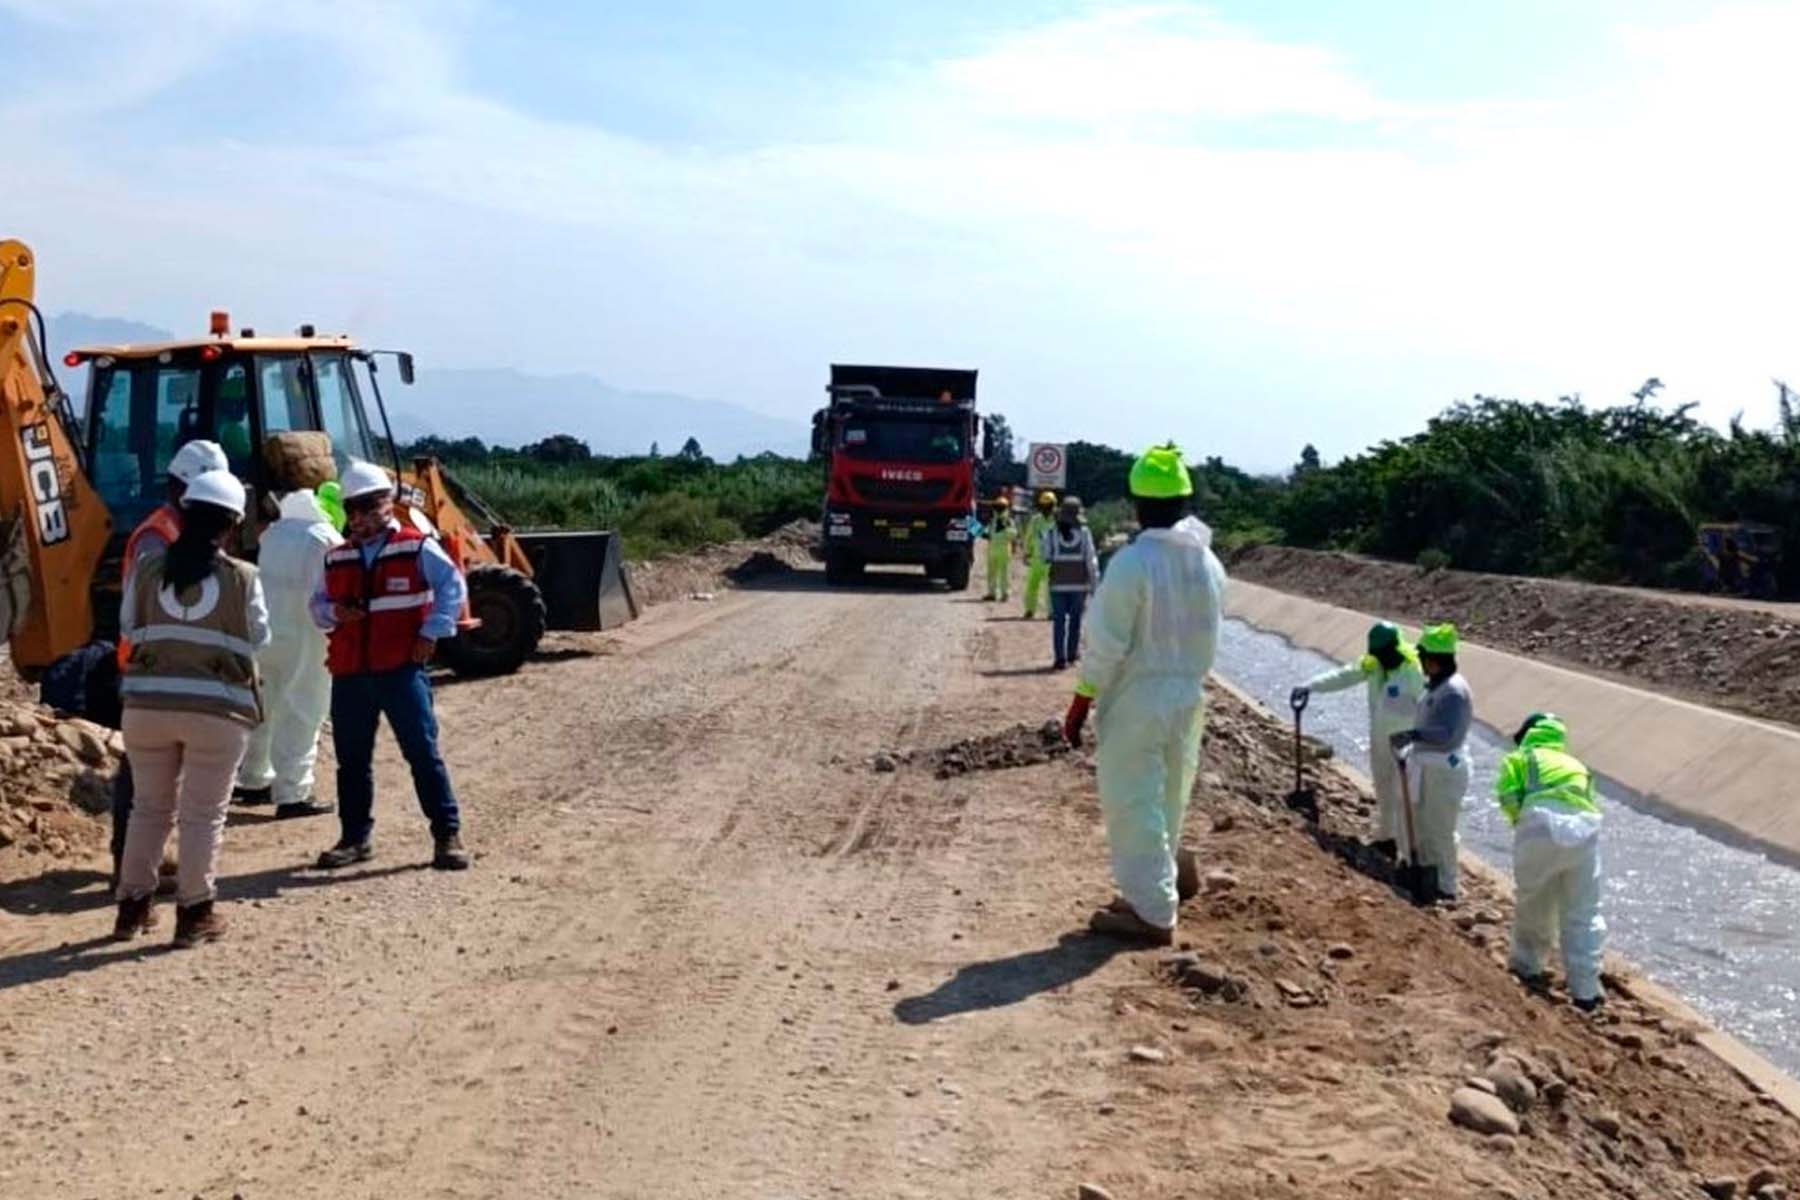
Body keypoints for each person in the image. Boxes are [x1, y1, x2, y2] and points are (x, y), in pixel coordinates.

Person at [1062, 444, 1227, 945]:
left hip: (1138, 697)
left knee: (1133, 800)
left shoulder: (1133, 564)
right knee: (1169, 798)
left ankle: (1151, 912)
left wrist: (1081, 700)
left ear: (1137, 504)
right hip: (1189, 695)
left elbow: (1106, 644)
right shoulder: (1208, 564)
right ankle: (1153, 890)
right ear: (1183, 502)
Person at [112, 469, 269, 947]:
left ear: (183, 515)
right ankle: (194, 914)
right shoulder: (242, 578)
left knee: (147, 809)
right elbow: (259, 637)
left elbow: (128, 626)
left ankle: (131, 912)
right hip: (216, 712)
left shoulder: (147, 569)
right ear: (232, 524)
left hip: (146, 706)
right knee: (203, 816)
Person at [311, 461, 471, 871]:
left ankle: (447, 835)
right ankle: (354, 839)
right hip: (350, 673)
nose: (361, 516)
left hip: (400, 669)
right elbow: (317, 606)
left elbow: (452, 586)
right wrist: (335, 612)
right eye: (354, 508)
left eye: (370, 506)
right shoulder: (336, 558)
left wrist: (432, 632)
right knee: (351, 761)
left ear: (388, 503)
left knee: (421, 752)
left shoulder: (416, 547)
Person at [110, 438, 230, 887]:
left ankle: (145, 860)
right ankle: (128, 864)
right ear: (178, 489)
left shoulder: (177, 530)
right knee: (143, 776)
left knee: (159, 774)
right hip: (150, 666)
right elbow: (148, 607)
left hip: (170, 665)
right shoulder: (157, 536)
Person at [234, 485, 343, 819]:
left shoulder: (274, 534)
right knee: (304, 710)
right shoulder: (326, 539)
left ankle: (254, 778)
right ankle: (293, 793)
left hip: (269, 632)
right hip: (308, 636)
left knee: (265, 705)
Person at [1496, 712, 1606, 1011]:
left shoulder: (1521, 759)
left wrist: (1521, 825)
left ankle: (1527, 966)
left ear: (1528, 735)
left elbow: (1508, 797)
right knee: (1583, 911)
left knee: (1534, 902)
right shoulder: (1577, 766)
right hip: (1585, 831)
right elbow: (1590, 801)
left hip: (1539, 826)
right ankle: (1586, 990)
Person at [1290, 621, 1425, 857]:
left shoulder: (1412, 672)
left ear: (1394, 648)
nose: (1379, 658)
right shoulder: (1373, 665)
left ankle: (1411, 851)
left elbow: (1428, 708)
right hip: (1380, 739)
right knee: (1383, 787)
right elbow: (1345, 675)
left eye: (1383, 654)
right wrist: (1310, 686)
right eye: (1376, 654)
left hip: (1406, 743)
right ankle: (1387, 839)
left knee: (1405, 794)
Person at [1388, 623, 1473, 903]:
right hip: (1428, 765)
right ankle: (1425, 873)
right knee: (1421, 822)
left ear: (1434, 660)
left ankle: (1446, 886)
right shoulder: (1436, 686)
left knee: (1440, 828)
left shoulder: (1453, 692)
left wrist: (1414, 735)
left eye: (1423, 658)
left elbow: (1447, 734)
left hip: (1444, 768)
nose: (1421, 664)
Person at [1044, 495, 1099, 670]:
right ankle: (1072, 654)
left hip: (1057, 584)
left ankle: (1059, 658)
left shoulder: (1051, 532)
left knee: (1059, 622)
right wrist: (1095, 585)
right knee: (1075, 621)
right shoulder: (1085, 533)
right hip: (1079, 585)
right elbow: (1091, 561)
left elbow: (1046, 556)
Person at [1021, 491, 1057, 620]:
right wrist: (1026, 553)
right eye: (1044, 505)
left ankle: (1051, 612)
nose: (1046, 508)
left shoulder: (1058, 521)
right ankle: (1030, 610)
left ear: (1053, 506)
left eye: (1049, 505)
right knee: (1032, 585)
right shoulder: (1035, 520)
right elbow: (1029, 537)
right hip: (1036, 558)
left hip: (1052, 560)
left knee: (1051, 587)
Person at [983, 492, 1015, 603]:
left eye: (1001, 507)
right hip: (993, 549)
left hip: (1004, 549)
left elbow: (1013, 534)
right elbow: (986, 534)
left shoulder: (1008, 521)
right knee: (992, 572)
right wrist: (974, 528)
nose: (999, 509)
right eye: (997, 507)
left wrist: (1004, 528)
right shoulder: (993, 521)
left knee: (1004, 573)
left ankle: (1005, 594)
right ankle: (992, 593)